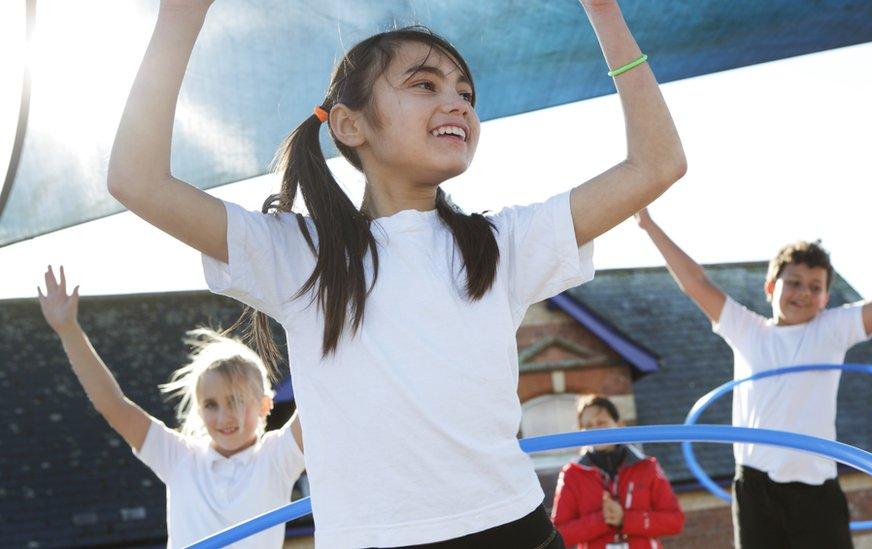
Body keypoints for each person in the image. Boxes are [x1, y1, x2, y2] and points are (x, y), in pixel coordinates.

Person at [106, 0, 686, 545]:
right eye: (425, 85)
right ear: (350, 125)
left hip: (511, 529)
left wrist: (605, 11)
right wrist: (178, 19)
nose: (459, 103)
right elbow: (137, 180)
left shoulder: (502, 244)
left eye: (466, 92)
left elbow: (658, 164)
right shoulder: (299, 255)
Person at [634, 205, 872, 548]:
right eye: (794, 283)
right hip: (757, 487)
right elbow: (696, 282)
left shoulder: (832, 330)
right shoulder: (747, 329)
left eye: (815, 287)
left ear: (826, 298)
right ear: (770, 287)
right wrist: (648, 225)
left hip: (817, 489)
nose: (803, 293)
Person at [37, 266, 305, 548]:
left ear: (265, 404)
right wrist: (68, 330)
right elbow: (114, 406)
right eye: (211, 404)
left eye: (235, 401)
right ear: (199, 410)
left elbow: (316, 401)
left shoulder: (277, 456)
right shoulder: (179, 457)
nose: (224, 416)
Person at [552, 395, 684, 549]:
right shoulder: (572, 474)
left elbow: (675, 521)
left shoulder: (647, 467)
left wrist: (625, 519)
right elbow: (559, 534)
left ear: (619, 425)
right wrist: (601, 520)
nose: (594, 430)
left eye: (601, 423)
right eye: (587, 425)